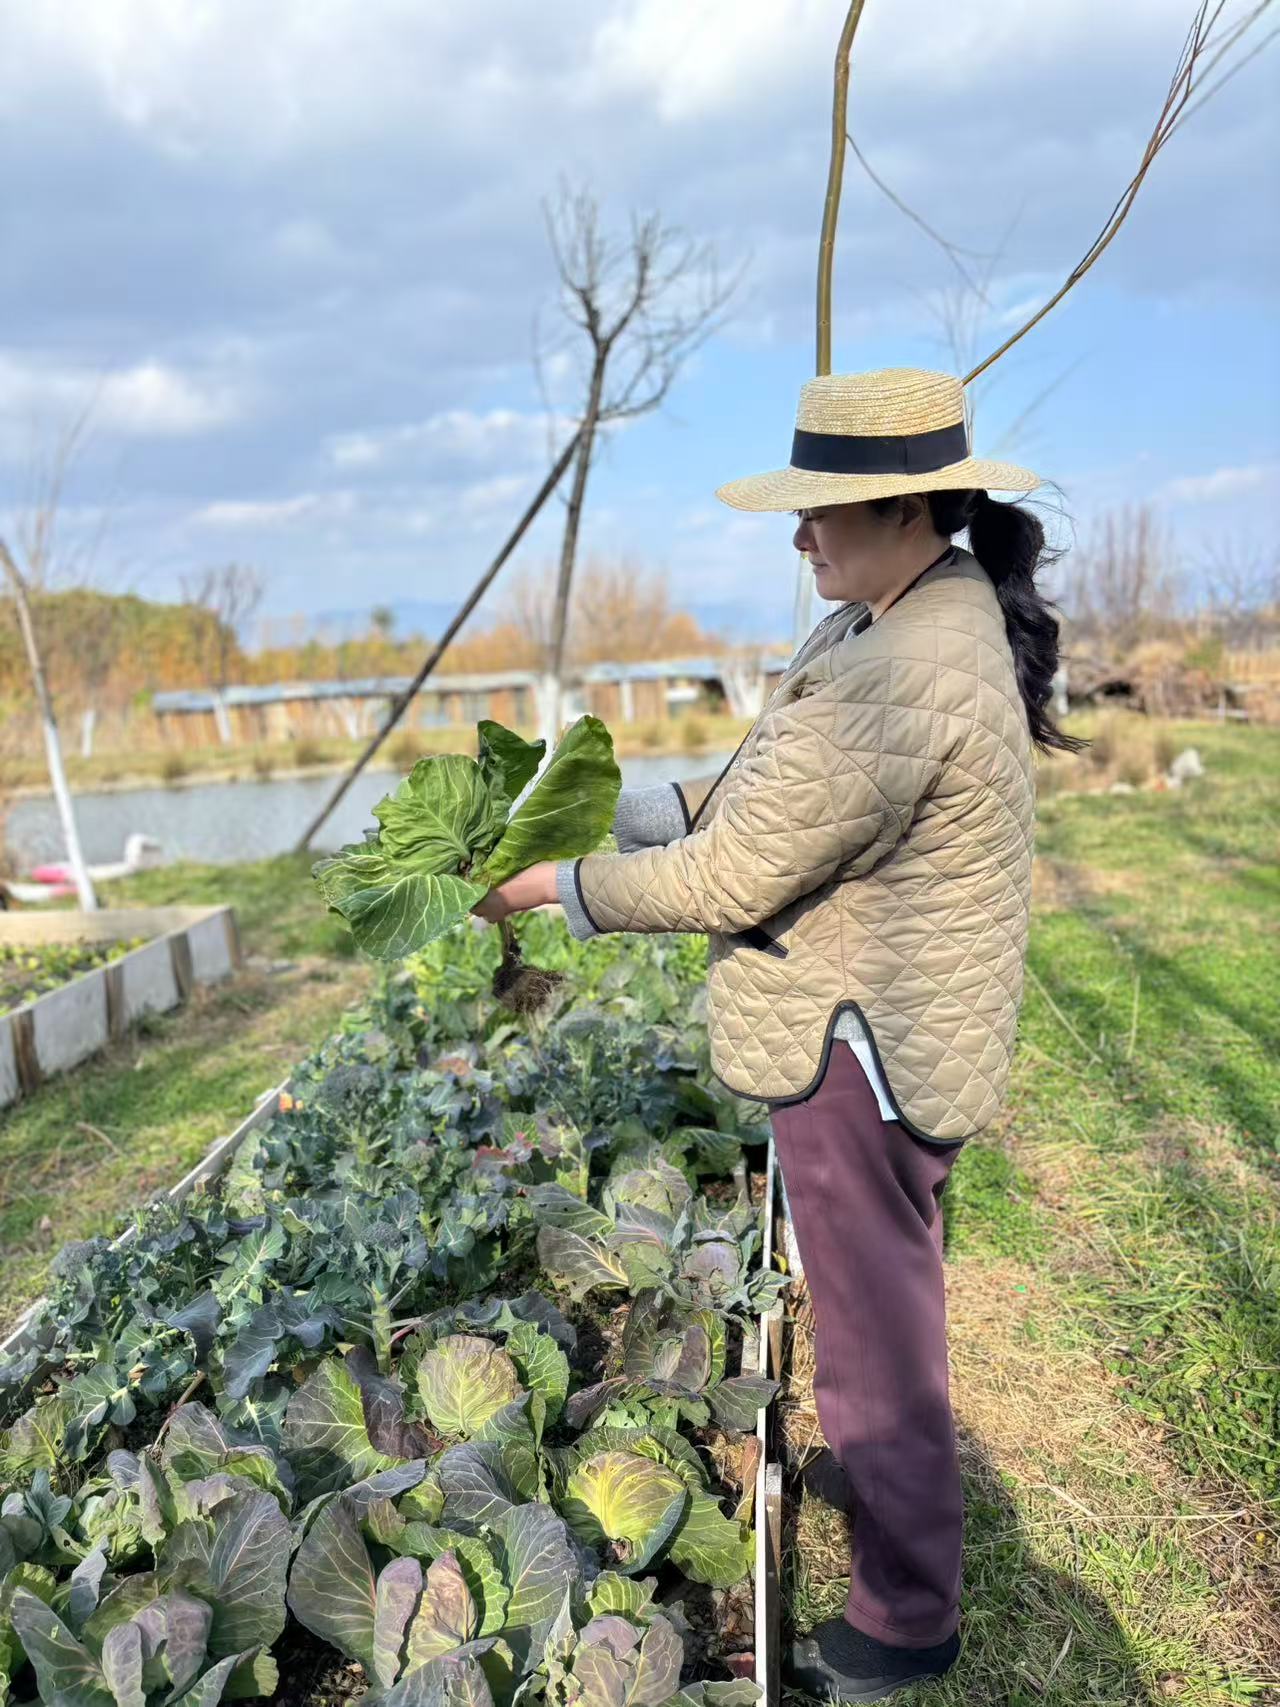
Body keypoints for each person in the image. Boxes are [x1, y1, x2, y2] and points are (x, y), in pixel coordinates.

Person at [477, 367, 1082, 1703]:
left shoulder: (910, 663)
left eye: (823, 510)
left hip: (861, 1053)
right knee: (880, 1320)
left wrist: (547, 891)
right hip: (875, 1028)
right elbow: (757, 792)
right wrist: (606, 813)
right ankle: (907, 1584)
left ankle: (905, 1624)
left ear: (907, 509)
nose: (799, 533)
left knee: (875, 1349)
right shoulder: (892, 617)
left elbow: (732, 879)